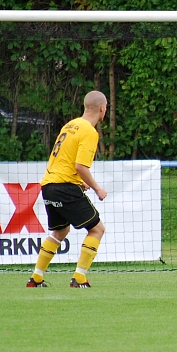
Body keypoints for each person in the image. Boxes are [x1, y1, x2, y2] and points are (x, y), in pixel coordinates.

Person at [27, 90, 108, 288]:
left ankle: (36, 278)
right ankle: (79, 278)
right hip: (64, 187)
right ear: (102, 110)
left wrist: (79, 181)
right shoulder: (89, 131)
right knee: (97, 229)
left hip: (49, 185)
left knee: (60, 231)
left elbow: (64, 161)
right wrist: (97, 188)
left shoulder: (70, 125)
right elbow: (81, 166)